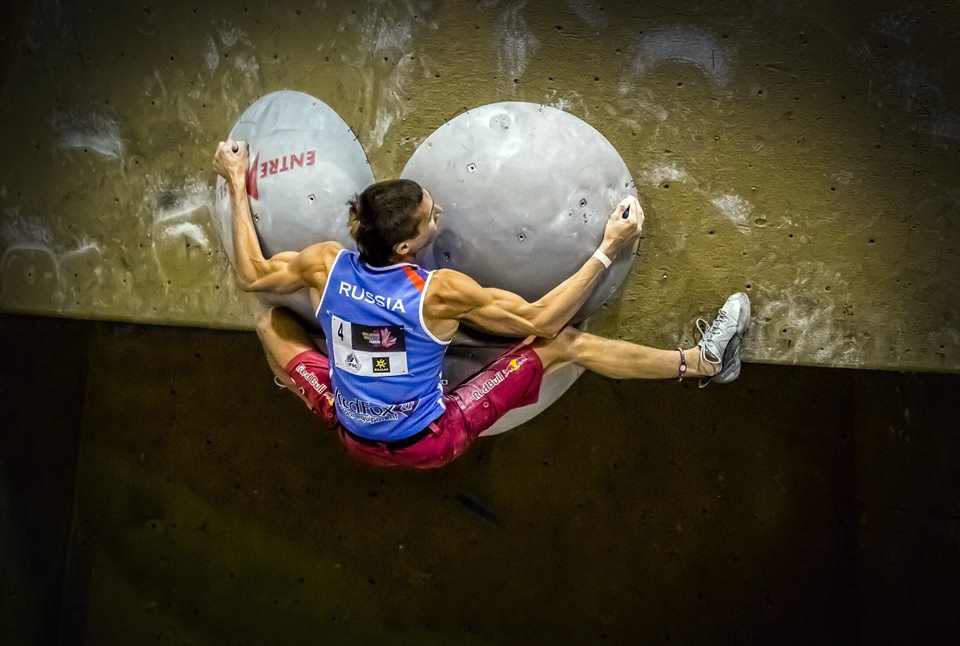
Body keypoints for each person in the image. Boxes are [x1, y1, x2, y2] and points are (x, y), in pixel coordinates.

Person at [212, 140, 750, 469]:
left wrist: (237, 181)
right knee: (567, 345)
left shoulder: (324, 265)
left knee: (271, 324)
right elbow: (542, 319)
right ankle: (704, 363)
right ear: (406, 246)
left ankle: (324, 381)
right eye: (431, 215)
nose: (438, 210)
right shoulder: (439, 292)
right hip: (429, 440)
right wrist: (609, 248)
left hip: (350, 434)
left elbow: (250, 274)